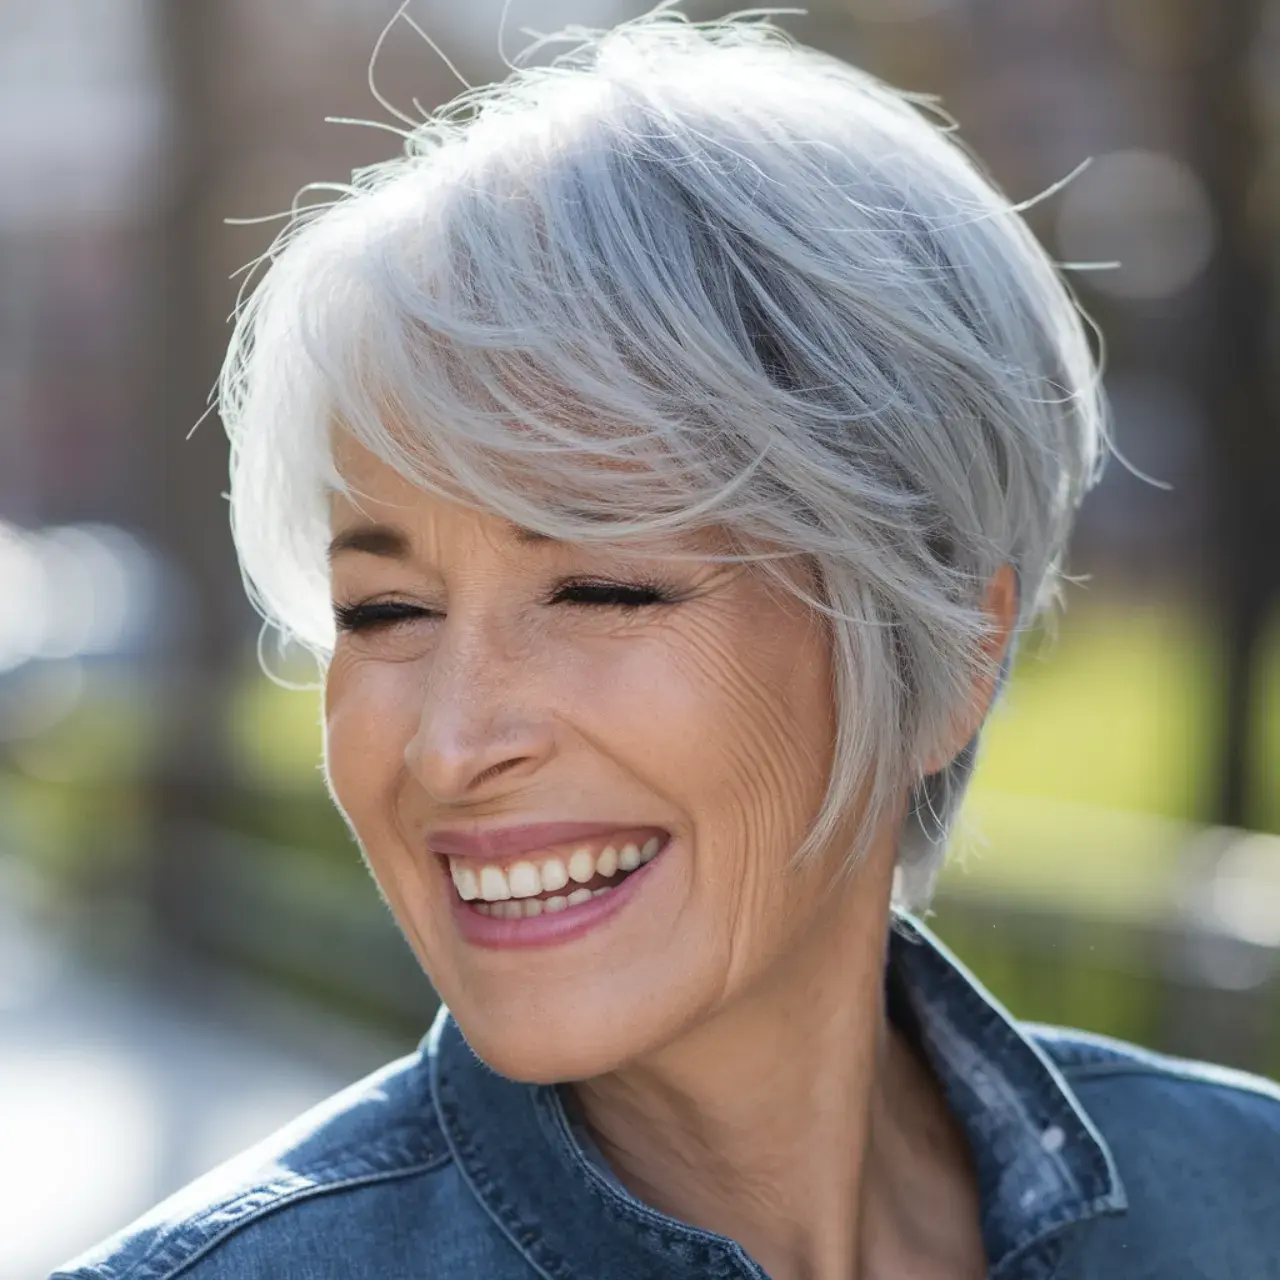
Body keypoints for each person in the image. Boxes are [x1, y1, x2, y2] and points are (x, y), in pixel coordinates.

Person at [55, 11, 1280, 1280]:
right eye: (386, 612)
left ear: (954, 650)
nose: (452, 741)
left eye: (599, 587)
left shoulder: (1242, 1205)